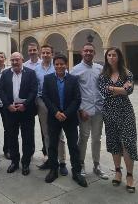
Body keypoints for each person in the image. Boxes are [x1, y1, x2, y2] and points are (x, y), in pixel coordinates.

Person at [41, 53, 87, 187]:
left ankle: (77, 172)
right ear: (54, 65)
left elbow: (77, 98)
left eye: (62, 64)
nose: (59, 66)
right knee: (53, 145)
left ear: (66, 65)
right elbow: (45, 96)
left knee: (73, 146)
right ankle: (53, 170)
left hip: (70, 117)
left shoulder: (73, 79)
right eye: (57, 64)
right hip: (54, 117)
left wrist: (65, 113)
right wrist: (56, 112)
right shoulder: (48, 78)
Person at [99, 47, 137, 193]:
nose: (111, 57)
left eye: (114, 55)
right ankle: (117, 172)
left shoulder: (127, 73)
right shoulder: (103, 75)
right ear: (106, 57)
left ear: (119, 57)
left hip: (125, 112)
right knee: (114, 142)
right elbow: (104, 92)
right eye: (109, 55)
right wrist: (122, 89)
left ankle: (130, 175)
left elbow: (130, 91)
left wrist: (112, 88)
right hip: (109, 112)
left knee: (127, 143)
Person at [70, 43, 108, 179]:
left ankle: (96, 165)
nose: (88, 53)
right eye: (86, 50)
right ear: (81, 52)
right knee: (84, 137)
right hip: (84, 111)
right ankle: (81, 164)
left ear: (94, 53)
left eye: (91, 51)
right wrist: (80, 109)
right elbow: (73, 93)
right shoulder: (75, 70)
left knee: (97, 138)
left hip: (98, 109)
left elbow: (104, 86)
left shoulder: (100, 68)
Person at [0, 52, 37, 176]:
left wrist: (25, 105)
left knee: (27, 137)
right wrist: (8, 105)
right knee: (12, 137)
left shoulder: (30, 73)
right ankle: (14, 162)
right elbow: (1, 91)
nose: (15, 62)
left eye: (17, 60)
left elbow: (33, 91)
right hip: (10, 110)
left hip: (26, 110)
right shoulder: (5, 74)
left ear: (22, 60)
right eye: (13, 60)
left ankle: (25, 163)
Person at [35, 45, 68, 176]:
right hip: (42, 103)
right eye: (43, 53)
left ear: (52, 54)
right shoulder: (36, 69)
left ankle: (62, 161)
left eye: (48, 52)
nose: (45, 55)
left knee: (59, 134)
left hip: (57, 104)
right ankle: (50, 158)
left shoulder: (58, 67)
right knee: (46, 133)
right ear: (40, 54)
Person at [0, 51, 10, 160]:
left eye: (2, 57)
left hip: (5, 104)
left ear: (5, 58)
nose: (0, 58)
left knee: (7, 128)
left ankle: (7, 150)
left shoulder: (9, 71)